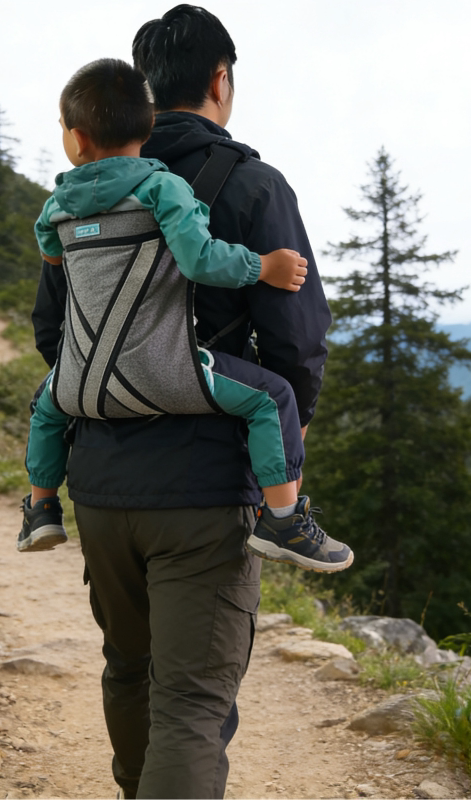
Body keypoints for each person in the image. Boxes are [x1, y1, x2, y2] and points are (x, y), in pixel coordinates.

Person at [30, 6, 333, 797]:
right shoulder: (253, 186)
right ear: (220, 79)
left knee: (129, 670)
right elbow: (296, 345)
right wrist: (261, 440)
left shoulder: (79, 197)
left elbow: (53, 334)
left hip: (98, 488)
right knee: (193, 702)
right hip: (203, 492)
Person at [19, 58, 353, 575]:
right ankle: (284, 519)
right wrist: (263, 266)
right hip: (177, 377)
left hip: (86, 386)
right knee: (275, 397)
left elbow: (51, 275)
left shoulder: (57, 205)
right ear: (148, 126)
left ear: (77, 140)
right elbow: (199, 260)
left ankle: (41, 508)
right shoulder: (163, 188)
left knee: (46, 403)